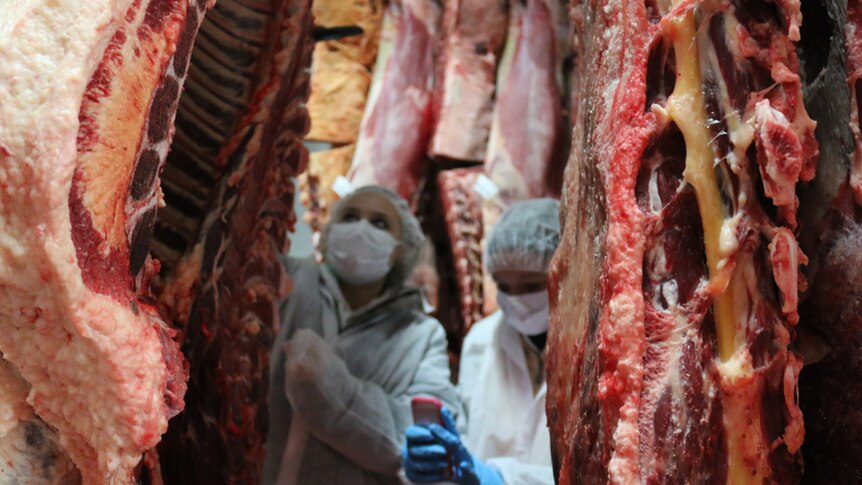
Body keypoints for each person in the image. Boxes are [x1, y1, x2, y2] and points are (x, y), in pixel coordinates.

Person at [263, 186, 463, 485]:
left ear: (400, 248)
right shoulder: (285, 282)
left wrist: (331, 387)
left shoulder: (420, 335)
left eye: (380, 223)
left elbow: (420, 441)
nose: (361, 229)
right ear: (330, 232)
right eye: (350, 216)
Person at [402, 199, 560, 485]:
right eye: (503, 286)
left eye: (531, 285)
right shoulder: (482, 339)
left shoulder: (598, 350)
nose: (516, 298)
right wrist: (439, 462)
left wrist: (498, 478)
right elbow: (467, 444)